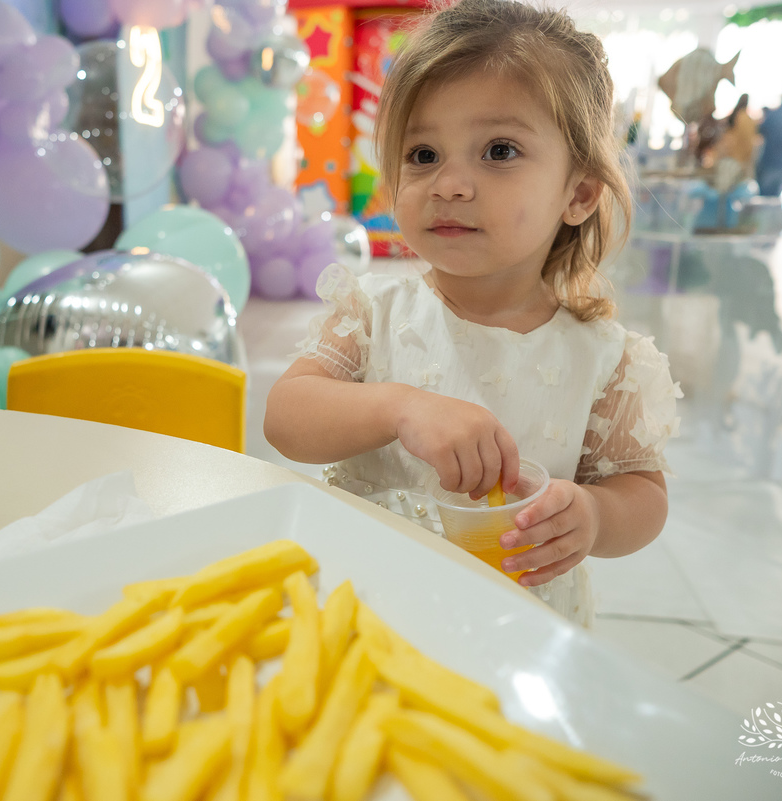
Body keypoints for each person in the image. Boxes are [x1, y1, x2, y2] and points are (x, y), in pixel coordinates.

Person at [264, 0, 681, 627]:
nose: (450, 184)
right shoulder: (374, 312)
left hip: (514, 625)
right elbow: (285, 418)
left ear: (578, 193)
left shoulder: (604, 359)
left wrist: (594, 516)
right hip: (363, 607)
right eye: (423, 154)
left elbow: (642, 495)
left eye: (499, 150)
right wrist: (400, 407)